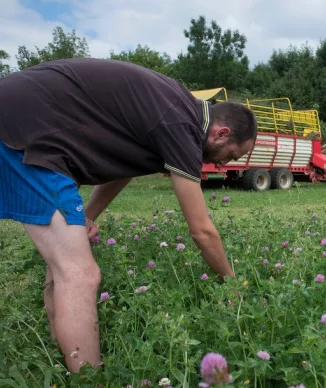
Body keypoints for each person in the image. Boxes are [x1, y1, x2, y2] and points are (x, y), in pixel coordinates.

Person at [0, 58, 258, 373]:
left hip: (22, 117)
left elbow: (122, 170)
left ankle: (62, 357)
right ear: (220, 133)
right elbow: (201, 231)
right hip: (24, 128)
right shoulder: (180, 124)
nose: (222, 166)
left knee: (64, 261)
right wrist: (232, 287)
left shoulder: (176, 109)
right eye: (230, 156)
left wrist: (87, 216)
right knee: (79, 273)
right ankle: (88, 378)